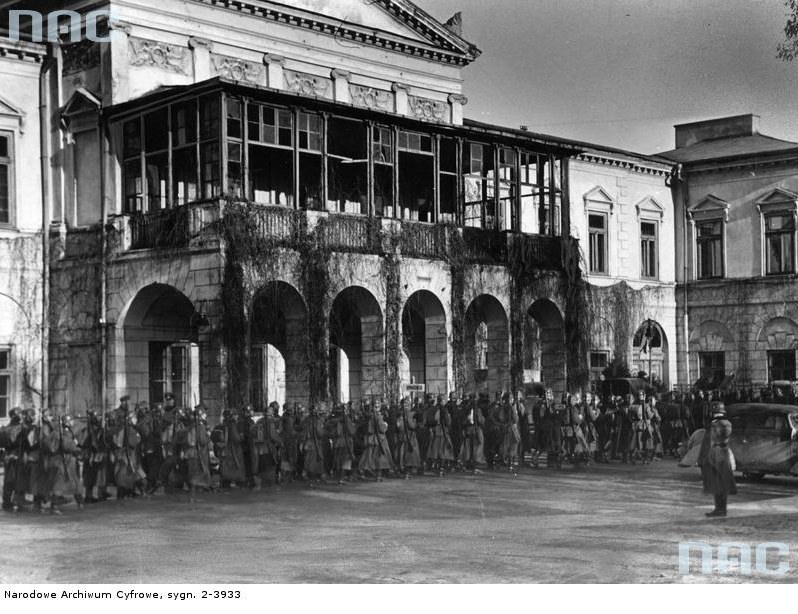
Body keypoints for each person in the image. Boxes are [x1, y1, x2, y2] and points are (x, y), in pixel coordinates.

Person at [698, 403, 737, 517]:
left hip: (714, 454)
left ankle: (718, 509)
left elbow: (709, 441)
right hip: (724, 453)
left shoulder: (714, 424)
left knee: (716, 483)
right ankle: (722, 509)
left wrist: (703, 457)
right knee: (723, 483)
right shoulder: (728, 423)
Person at [78, 409, 109, 503]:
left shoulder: (96, 430)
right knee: (90, 477)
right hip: (90, 455)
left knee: (94, 476)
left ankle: (92, 495)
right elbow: (83, 443)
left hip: (93, 454)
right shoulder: (87, 430)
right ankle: (89, 496)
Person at [212, 409, 246, 489]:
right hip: (233, 450)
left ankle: (224, 483)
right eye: (235, 415)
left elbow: (213, 437)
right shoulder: (232, 425)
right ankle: (237, 481)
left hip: (223, 450)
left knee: (224, 466)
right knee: (236, 466)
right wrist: (241, 437)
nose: (237, 417)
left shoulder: (220, 426)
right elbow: (236, 438)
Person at [252, 403, 282, 488]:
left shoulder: (259, 421)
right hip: (269, 447)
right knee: (270, 465)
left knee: (262, 465)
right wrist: (281, 441)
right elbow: (273, 435)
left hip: (259, 448)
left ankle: (261, 482)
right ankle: (270, 483)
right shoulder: (270, 423)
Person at [0, 408, 24, 511]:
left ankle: (17, 502)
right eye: (18, 414)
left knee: (20, 480)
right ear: (13, 416)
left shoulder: (23, 427)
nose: (20, 416)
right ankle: (7, 503)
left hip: (21, 455)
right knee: (10, 480)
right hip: (10, 455)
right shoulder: (6, 429)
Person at [394, 397, 421, 478]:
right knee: (409, 455)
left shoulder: (400, 414)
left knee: (402, 454)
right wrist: (415, 423)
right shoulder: (409, 414)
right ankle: (407, 472)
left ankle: (403, 470)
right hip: (409, 437)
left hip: (402, 437)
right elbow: (411, 426)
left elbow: (398, 426)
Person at [459, 398, 484, 473]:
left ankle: (468, 463)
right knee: (476, 447)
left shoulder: (467, 410)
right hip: (475, 429)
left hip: (468, 429)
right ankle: (473, 463)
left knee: (468, 447)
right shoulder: (477, 410)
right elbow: (480, 420)